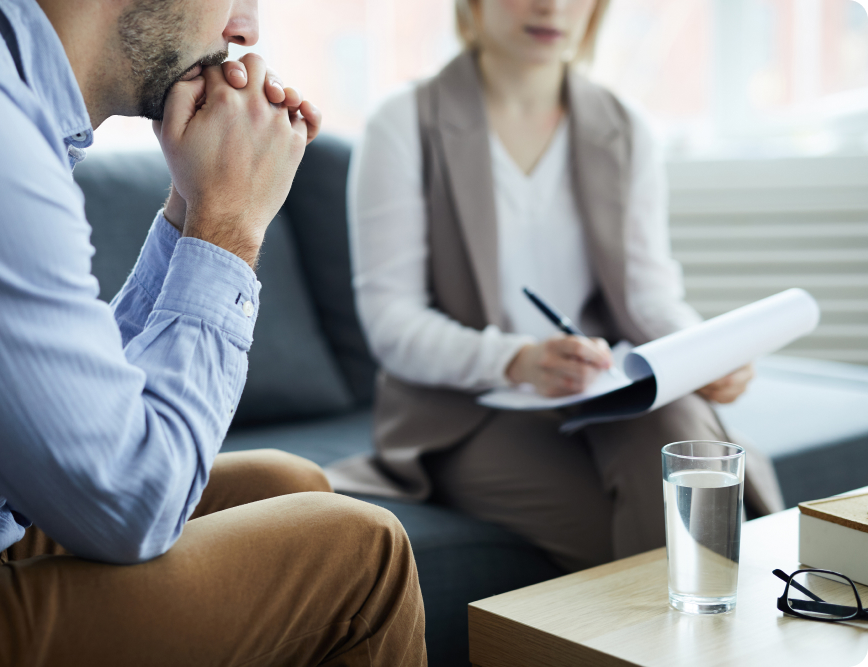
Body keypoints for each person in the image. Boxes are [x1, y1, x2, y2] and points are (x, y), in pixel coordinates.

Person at [0, 0, 426, 665]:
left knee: (289, 483)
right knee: (362, 556)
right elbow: (131, 501)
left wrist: (193, 206)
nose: (247, 30)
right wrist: (230, 226)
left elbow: (71, 409)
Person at [334, 0, 785, 573]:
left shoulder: (625, 128)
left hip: (600, 388)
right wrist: (517, 360)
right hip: (466, 409)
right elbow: (391, 320)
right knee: (653, 544)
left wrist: (704, 355)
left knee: (682, 438)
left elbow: (649, 297)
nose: (551, 6)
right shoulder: (403, 123)